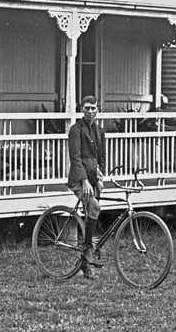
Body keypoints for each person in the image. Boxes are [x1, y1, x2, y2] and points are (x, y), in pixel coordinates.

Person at [67, 95, 107, 280]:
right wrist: (83, 181)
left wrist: (100, 174)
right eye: (87, 108)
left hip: (93, 179)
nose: (91, 111)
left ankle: (85, 265)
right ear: (81, 109)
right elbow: (75, 158)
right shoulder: (75, 130)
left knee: (93, 212)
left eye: (94, 108)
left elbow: (101, 158)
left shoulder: (100, 131)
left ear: (98, 109)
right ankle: (87, 249)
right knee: (94, 207)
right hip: (80, 178)